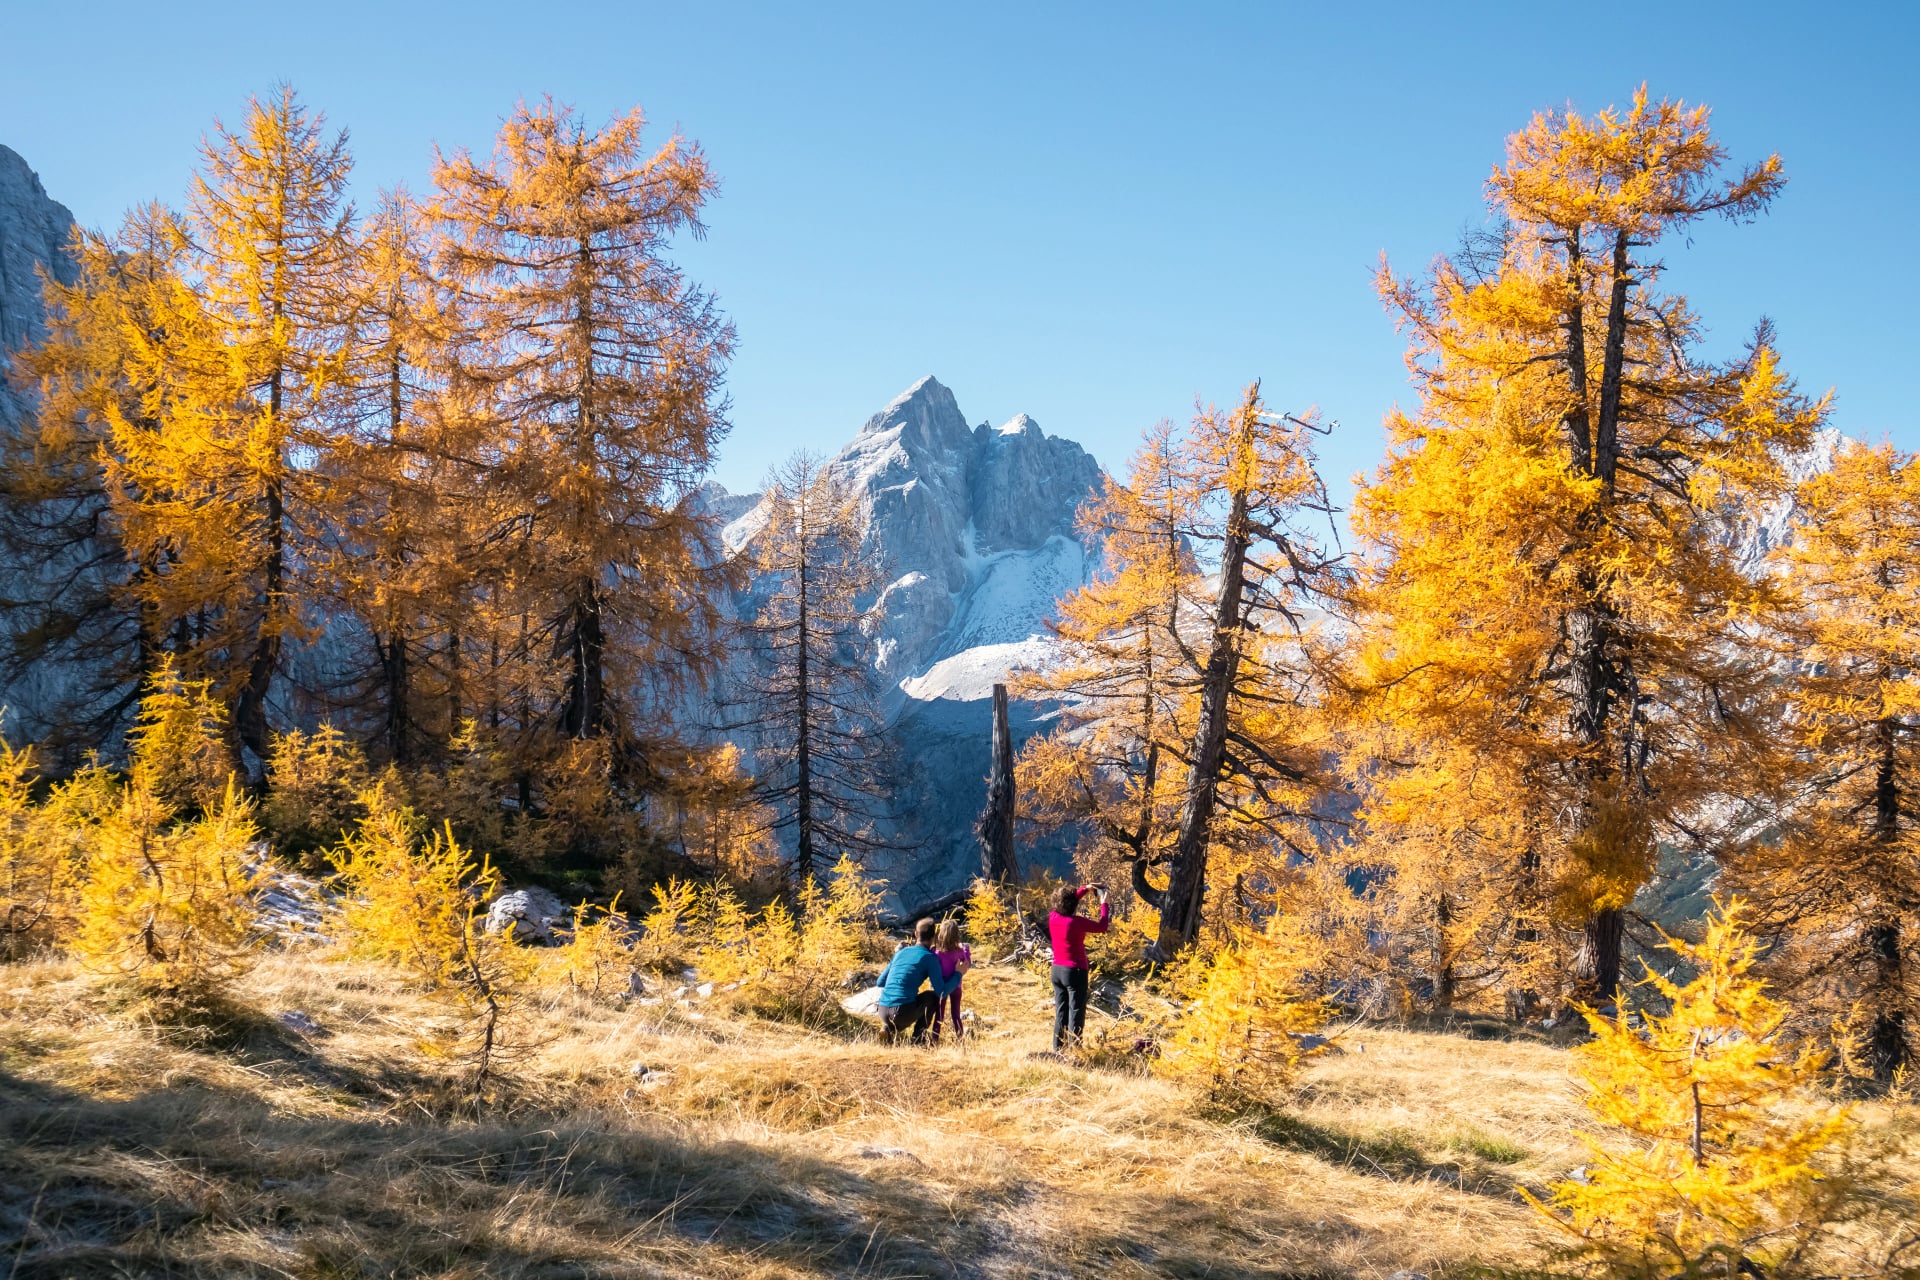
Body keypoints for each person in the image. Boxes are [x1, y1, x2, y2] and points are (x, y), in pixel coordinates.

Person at [875, 917, 961, 1044]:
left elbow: (880, 982)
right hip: (901, 1011)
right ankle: (918, 1039)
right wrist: (958, 974)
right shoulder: (930, 958)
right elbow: (941, 992)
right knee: (933, 997)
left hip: (882, 1009)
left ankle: (888, 1029)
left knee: (907, 1003)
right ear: (934, 937)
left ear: (916, 934)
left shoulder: (900, 953)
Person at [1048, 883, 1109, 1050]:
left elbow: (1068, 901)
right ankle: (1075, 1051)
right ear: (1073, 904)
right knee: (1076, 1012)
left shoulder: (1053, 917)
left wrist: (1085, 889)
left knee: (1061, 1011)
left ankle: (1058, 1049)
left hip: (1057, 970)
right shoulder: (1076, 923)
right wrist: (1104, 904)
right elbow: (1102, 926)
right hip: (1075, 971)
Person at [928, 918, 972, 1043]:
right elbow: (967, 964)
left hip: (941, 987)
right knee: (956, 1014)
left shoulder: (936, 952)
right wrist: (966, 950)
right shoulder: (959, 952)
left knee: (939, 1014)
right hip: (956, 986)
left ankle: (934, 1039)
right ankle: (960, 1039)